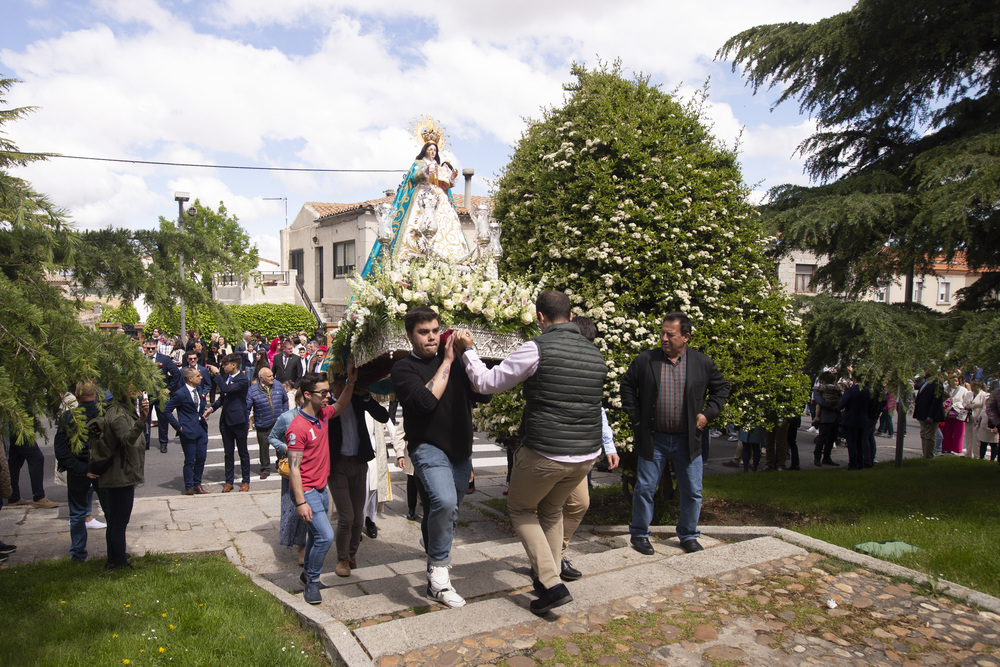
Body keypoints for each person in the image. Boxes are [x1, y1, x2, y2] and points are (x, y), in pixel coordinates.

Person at [455, 291, 606, 614]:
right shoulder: (593, 353)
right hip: (585, 456)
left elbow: (486, 382)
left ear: (540, 317)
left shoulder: (538, 347)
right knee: (551, 510)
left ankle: (551, 585)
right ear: (570, 314)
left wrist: (469, 352)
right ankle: (546, 577)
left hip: (547, 451)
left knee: (522, 509)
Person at [391, 306, 490, 609]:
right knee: (444, 503)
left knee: (448, 509)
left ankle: (433, 545)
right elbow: (424, 401)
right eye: (423, 332)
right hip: (426, 446)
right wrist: (447, 360)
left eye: (435, 330)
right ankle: (439, 576)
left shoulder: (458, 360)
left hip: (460, 448)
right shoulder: (403, 368)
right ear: (410, 336)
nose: (432, 337)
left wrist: (469, 354)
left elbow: (483, 394)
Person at [620, 311, 730, 557]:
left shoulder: (702, 363)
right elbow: (627, 385)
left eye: (670, 335)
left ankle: (688, 535)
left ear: (686, 337)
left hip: (687, 440)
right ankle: (639, 534)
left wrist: (707, 414)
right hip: (654, 438)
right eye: (662, 333)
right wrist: (636, 419)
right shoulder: (646, 360)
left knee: (692, 489)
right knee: (645, 487)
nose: (664, 338)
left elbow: (721, 388)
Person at [287, 367, 357, 605]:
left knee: (316, 536)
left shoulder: (322, 415)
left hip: (320, 487)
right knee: (325, 537)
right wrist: (301, 502)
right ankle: (313, 583)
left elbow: (341, 406)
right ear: (307, 395)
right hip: (307, 491)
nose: (328, 396)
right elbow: (294, 468)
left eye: (328, 391)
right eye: (323, 392)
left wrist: (350, 384)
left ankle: (307, 575)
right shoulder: (297, 428)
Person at [557, 315, 619, 582]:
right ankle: (548, 562)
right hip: (552, 448)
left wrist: (609, 445)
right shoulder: (556, 361)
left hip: (580, 450)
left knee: (579, 503)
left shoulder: (589, 368)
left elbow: (598, 409)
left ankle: (555, 553)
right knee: (545, 508)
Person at [360, 141, 471, 277]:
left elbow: (444, 185)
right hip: (423, 198)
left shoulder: (440, 167)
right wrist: (425, 171)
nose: (432, 152)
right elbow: (413, 178)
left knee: (447, 228)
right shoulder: (419, 164)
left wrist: (451, 179)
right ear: (425, 150)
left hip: (440, 201)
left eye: (434, 150)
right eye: (430, 149)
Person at [327, 375, 389, 577]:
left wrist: (365, 397)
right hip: (338, 467)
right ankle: (342, 559)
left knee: (358, 518)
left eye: (344, 384)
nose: (342, 388)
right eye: (338, 384)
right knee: (346, 517)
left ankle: (352, 554)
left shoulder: (357, 401)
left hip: (359, 465)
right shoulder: (327, 407)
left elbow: (383, 416)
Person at [91, 386, 148, 570]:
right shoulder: (116, 413)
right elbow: (126, 439)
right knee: (118, 522)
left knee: (115, 521)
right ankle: (119, 562)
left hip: (121, 473)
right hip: (119, 475)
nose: (137, 392)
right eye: (131, 389)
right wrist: (142, 421)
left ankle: (114, 559)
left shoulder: (122, 410)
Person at [53, 381, 104, 561]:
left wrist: (81, 469)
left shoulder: (69, 417)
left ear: (75, 394)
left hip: (80, 470)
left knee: (77, 514)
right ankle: (115, 550)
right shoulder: (103, 415)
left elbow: (60, 450)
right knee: (110, 512)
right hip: (99, 471)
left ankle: (77, 553)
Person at [268, 389, 307, 566]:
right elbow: (272, 437)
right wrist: (286, 449)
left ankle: (305, 544)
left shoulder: (317, 417)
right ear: (300, 399)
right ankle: (300, 545)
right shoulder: (286, 417)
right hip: (293, 469)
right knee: (293, 508)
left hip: (311, 469)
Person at [205, 354, 252, 492]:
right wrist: (212, 408)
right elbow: (223, 397)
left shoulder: (242, 379)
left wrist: (217, 374)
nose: (223, 367)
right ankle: (229, 480)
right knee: (228, 452)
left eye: (225, 365)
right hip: (226, 421)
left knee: (243, 452)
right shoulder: (226, 378)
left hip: (239, 420)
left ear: (233, 365)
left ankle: (245, 480)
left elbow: (227, 390)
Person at [163, 367, 211, 495]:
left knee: (201, 457)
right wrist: (178, 427)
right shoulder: (180, 393)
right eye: (198, 376)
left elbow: (199, 408)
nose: (201, 378)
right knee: (190, 460)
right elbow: (167, 410)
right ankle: (189, 486)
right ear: (190, 379)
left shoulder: (199, 390)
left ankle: (197, 483)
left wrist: (203, 414)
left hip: (201, 428)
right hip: (188, 430)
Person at [141, 339, 182, 453]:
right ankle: (145, 442)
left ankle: (163, 443)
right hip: (146, 394)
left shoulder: (164, 359)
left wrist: (169, 389)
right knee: (145, 419)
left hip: (160, 394)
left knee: (163, 419)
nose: (150, 350)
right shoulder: (141, 359)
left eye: (152, 348)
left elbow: (176, 373)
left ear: (156, 347)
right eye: (148, 348)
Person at [247, 367, 288, 480]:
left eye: (272, 375)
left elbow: (285, 400)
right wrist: (247, 423)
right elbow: (247, 407)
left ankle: (280, 464)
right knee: (264, 447)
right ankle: (265, 469)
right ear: (261, 378)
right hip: (263, 423)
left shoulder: (278, 385)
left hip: (278, 422)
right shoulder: (253, 390)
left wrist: (284, 414)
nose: (272, 378)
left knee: (280, 446)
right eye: (269, 376)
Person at [913, 371, 946, 459]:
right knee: (924, 434)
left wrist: (931, 416)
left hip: (930, 415)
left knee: (929, 436)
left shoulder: (937, 383)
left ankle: (929, 457)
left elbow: (937, 401)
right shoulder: (925, 382)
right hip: (922, 414)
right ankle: (925, 455)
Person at [942, 375, 971, 455]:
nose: (955, 382)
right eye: (954, 380)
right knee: (946, 431)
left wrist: (961, 406)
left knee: (958, 432)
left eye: (957, 381)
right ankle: (946, 448)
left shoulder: (963, 390)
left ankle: (957, 449)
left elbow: (967, 401)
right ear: (949, 381)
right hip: (947, 412)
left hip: (959, 412)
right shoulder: (945, 389)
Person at [969, 381, 998, 460]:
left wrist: (996, 427)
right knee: (983, 444)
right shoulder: (985, 407)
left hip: (993, 429)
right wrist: (978, 422)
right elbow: (981, 415)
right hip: (983, 428)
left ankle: (992, 460)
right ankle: (981, 458)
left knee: (993, 445)